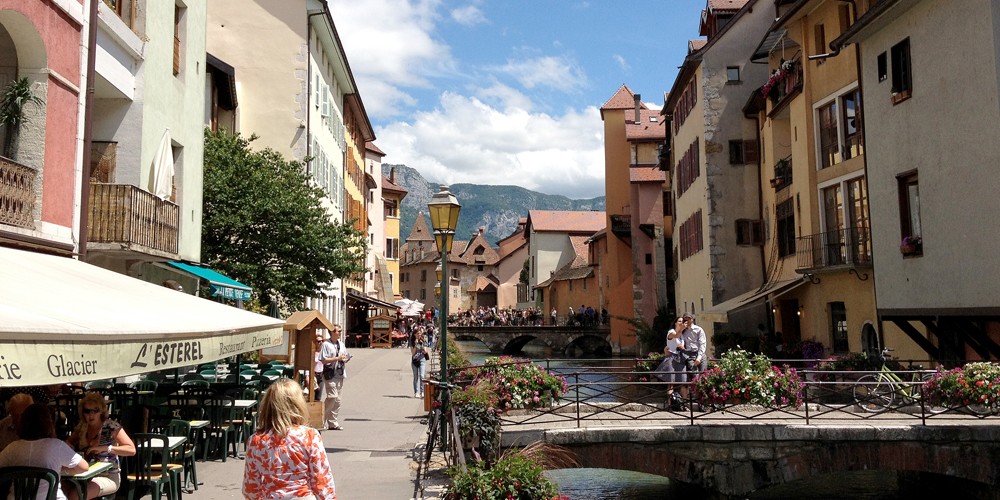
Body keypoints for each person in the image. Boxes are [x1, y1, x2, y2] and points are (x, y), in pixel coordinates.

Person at [243, 378, 336, 500]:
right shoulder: (309, 436)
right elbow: (322, 480)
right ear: (298, 404)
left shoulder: (256, 441)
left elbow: (251, 488)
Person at [0, 403, 89, 500]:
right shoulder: (56, 446)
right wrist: (61, 469)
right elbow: (83, 467)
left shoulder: (12, 448)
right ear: (49, 423)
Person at [66, 392, 136, 500]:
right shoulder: (82, 427)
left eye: (95, 410)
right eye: (87, 411)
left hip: (108, 476)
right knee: (59, 488)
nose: (91, 415)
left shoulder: (111, 426)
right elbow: (68, 444)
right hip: (83, 475)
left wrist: (106, 448)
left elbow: (131, 450)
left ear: (102, 411)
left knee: (75, 495)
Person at [320, 325, 351, 431]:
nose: (340, 333)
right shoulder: (326, 344)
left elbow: (345, 355)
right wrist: (337, 358)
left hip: (340, 373)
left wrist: (346, 358)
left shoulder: (341, 344)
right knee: (332, 397)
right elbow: (323, 360)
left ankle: (333, 423)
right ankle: (321, 420)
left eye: (341, 331)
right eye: (338, 331)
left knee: (337, 400)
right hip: (330, 374)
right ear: (332, 332)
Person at [654, 318, 688, 410]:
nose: (681, 323)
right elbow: (675, 336)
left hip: (680, 359)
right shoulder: (671, 332)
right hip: (671, 359)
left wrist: (683, 348)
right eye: (680, 321)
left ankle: (684, 405)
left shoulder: (682, 336)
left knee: (683, 383)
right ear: (675, 323)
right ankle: (670, 406)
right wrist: (682, 329)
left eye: (682, 321)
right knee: (671, 383)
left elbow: (681, 344)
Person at [411, 333, 430, 399]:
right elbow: (413, 353)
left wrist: (420, 345)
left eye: (419, 333)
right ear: (414, 334)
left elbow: (425, 351)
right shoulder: (412, 342)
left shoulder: (424, 341)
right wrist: (416, 345)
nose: (418, 335)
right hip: (415, 361)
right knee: (415, 377)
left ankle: (422, 392)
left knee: (422, 376)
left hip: (422, 359)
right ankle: (416, 392)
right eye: (417, 334)